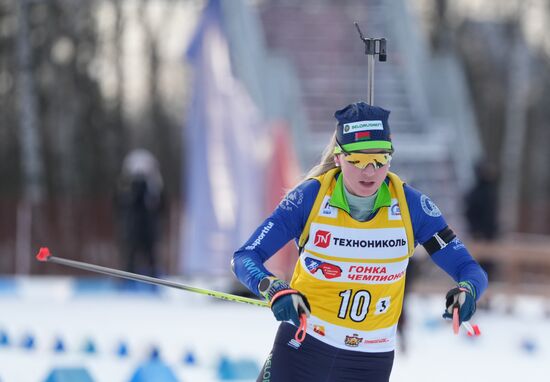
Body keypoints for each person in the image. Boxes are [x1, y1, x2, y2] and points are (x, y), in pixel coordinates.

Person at [232, 102, 488, 382]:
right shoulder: (310, 198)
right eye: (358, 161)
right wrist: (273, 288)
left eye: (380, 160)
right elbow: (245, 257)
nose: (370, 172)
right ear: (339, 158)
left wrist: (467, 291)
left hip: (369, 361)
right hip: (303, 348)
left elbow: (468, 268)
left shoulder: (411, 206)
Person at [115, 149, 165, 279]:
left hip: (147, 228)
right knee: (132, 253)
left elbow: (160, 206)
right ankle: (129, 276)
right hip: (134, 228)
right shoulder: (128, 190)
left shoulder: (153, 189)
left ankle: (152, 276)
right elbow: (120, 205)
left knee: (149, 254)